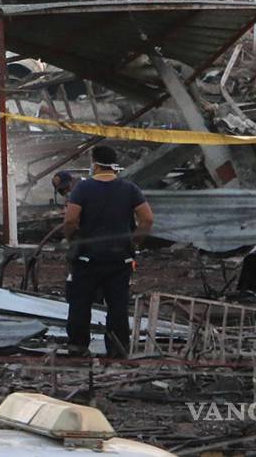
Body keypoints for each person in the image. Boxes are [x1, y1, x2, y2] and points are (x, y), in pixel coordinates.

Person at [62, 145, 153, 358]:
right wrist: (134, 242)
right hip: (120, 259)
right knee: (117, 305)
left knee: (80, 303)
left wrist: (72, 240)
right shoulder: (130, 189)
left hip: (87, 258)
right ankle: (117, 348)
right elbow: (147, 219)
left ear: (94, 164)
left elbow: (71, 219)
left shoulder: (83, 189)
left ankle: (77, 346)